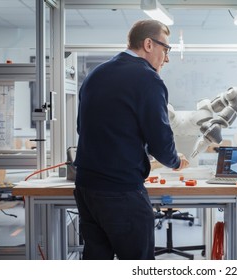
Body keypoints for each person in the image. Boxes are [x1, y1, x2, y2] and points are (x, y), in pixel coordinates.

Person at [73, 19, 189, 260]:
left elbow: (81, 127)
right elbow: (160, 139)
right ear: (149, 44)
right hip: (121, 191)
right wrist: (175, 161)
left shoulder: (96, 73)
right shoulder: (147, 78)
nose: (166, 58)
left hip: (86, 188)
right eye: (165, 49)